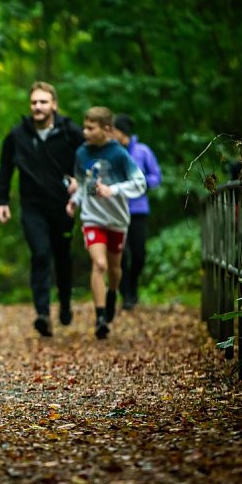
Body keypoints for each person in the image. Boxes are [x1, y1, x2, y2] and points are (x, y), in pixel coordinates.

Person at [0, 81, 84, 337]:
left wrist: (80, 180)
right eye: (34, 102)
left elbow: (89, 157)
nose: (38, 107)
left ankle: (65, 303)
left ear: (54, 104)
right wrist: (2, 201)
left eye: (43, 102)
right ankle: (42, 313)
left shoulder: (70, 132)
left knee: (63, 257)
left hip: (63, 206)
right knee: (41, 254)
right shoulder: (17, 135)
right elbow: (5, 169)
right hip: (32, 206)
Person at [66, 107, 146, 339]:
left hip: (117, 219)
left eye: (91, 128)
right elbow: (83, 184)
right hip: (92, 218)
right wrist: (74, 201)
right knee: (99, 265)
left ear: (106, 129)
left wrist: (114, 189)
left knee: (114, 268)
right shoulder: (81, 153)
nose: (85, 132)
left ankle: (112, 293)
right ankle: (100, 317)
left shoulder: (119, 154)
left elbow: (139, 183)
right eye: (85, 127)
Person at [111, 114, 162, 310]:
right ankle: (126, 295)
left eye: (113, 131)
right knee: (120, 255)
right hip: (115, 211)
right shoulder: (110, 152)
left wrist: (141, 184)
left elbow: (156, 176)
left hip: (138, 210)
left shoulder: (142, 151)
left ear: (121, 132)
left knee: (139, 255)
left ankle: (132, 285)